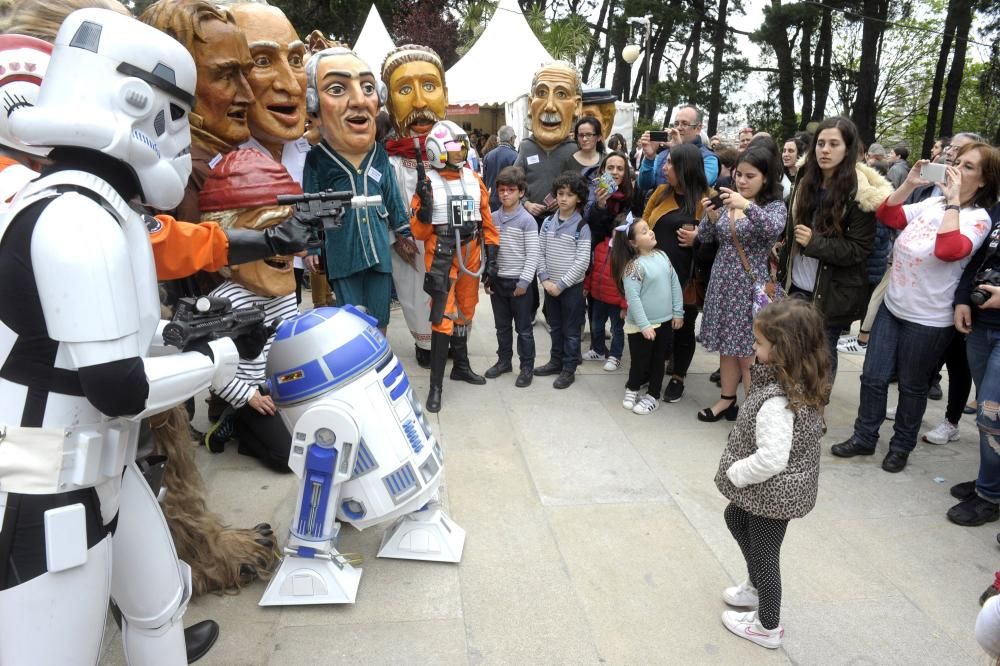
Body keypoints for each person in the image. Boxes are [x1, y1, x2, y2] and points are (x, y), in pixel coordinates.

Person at [0, 9, 242, 663]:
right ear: (139, 105)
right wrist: (216, 357)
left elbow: (97, 333)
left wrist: (177, 329)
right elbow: (117, 384)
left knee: (159, 607)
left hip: (100, 464)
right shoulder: (77, 219)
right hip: (49, 484)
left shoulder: (86, 204)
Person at [831, 143, 996, 473]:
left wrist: (952, 202)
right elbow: (888, 215)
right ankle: (865, 435)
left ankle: (901, 445)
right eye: (955, 162)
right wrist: (911, 184)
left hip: (929, 319)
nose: (955, 170)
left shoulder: (978, 218)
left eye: (967, 167)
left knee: (912, 385)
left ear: (983, 181)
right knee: (873, 377)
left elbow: (949, 250)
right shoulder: (932, 203)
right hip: (894, 307)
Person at [715, 298, 828, 650]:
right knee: (735, 515)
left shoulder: (778, 402)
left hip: (774, 492)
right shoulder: (790, 382)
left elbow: (771, 460)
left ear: (784, 349)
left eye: (759, 343)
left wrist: (736, 472)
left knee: (766, 556)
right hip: (774, 491)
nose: (753, 347)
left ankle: (767, 626)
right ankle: (754, 586)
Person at [199, 150, 302, 472]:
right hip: (249, 393)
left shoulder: (285, 292)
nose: (291, 247)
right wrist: (246, 398)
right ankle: (236, 424)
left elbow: (291, 338)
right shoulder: (223, 302)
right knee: (287, 460)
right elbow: (211, 366)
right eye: (272, 232)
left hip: (283, 384)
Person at [303, 46, 411, 333]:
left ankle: (379, 360)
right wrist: (312, 244)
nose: (359, 100)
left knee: (380, 314)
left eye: (367, 87)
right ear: (313, 107)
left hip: (378, 245)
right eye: (337, 89)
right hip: (342, 246)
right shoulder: (317, 158)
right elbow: (310, 202)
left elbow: (392, 196)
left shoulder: (379, 154)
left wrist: (403, 231)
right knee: (350, 316)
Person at [776, 116, 888, 393]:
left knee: (821, 356)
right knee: (792, 351)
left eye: (833, 144)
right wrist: (784, 243)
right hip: (797, 284)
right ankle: (793, 404)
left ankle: (816, 414)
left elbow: (859, 249)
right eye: (821, 143)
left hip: (833, 291)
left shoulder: (859, 192)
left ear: (848, 149)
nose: (825, 150)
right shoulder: (805, 179)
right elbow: (794, 226)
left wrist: (814, 243)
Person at [410, 120, 500, 412]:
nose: (460, 152)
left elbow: (486, 220)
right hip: (442, 256)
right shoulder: (427, 186)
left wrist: (492, 257)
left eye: (462, 147)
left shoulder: (474, 179)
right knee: (442, 316)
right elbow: (420, 234)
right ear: (437, 151)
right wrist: (423, 211)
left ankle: (461, 366)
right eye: (453, 148)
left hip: (471, 252)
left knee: (467, 310)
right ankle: (436, 387)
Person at [696, 146, 787, 421]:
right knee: (727, 347)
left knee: (750, 355)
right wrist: (709, 217)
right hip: (723, 283)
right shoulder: (727, 200)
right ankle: (727, 400)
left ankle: (753, 414)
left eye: (750, 176)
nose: (742, 181)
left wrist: (745, 205)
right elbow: (706, 236)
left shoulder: (773, 206)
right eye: (739, 175)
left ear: (766, 178)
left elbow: (773, 229)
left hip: (752, 289)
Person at [380, 44, 448, 367]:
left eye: (429, 86)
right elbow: (382, 205)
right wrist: (399, 237)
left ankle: (450, 340)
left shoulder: (456, 153)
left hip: (448, 243)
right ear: (390, 103)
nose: (420, 102)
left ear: (445, 95)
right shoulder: (388, 159)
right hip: (409, 245)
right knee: (413, 292)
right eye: (405, 89)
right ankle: (425, 344)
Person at [641, 142, 710, 402]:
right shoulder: (659, 193)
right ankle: (651, 370)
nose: (665, 167)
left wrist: (699, 237)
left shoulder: (706, 199)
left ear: (686, 168)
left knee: (683, 329)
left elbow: (721, 239)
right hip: (654, 276)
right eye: (666, 161)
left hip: (686, 278)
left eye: (670, 163)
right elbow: (643, 224)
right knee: (654, 327)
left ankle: (678, 376)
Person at [948, 201, 1000, 527]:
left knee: (991, 414)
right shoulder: (997, 210)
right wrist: (962, 300)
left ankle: (989, 495)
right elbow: (976, 261)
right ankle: (989, 480)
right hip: (982, 325)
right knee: (988, 410)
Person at [611, 216, 684, 414]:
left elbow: (674, 284)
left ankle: (653, 395)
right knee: (640, 360)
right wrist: (644, 325)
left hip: (665, 321)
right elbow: (633, 299)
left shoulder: (662, 256)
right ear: (633, 243)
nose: (650, 232)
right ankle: (633, 387)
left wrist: (678, 311)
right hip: (641, 325)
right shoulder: (633, 266)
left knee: (658, 360)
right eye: (643, 232)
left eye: (649, 228)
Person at [534, 171, 592, 388]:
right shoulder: (548, 222)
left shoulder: (581, 227)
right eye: (560, 193)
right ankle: (555, 361)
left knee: (571, 329)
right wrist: (545, 279)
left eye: (569, 194)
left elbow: (582, 262)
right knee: (554, 326)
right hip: (550, 286)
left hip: (571, 289)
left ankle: (569, 367)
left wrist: (561, 284)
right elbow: (539, 251)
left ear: (578, 198)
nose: (564, 198)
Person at [484, 166, 539, 387]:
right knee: (502, 326)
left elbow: (533, 254)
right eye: (501, 190)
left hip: (519, 283)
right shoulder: (493, 218)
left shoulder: (527, 221)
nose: (505, 194)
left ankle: (527, 366)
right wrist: (487, 279)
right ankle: (504, 360)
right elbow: (487, 250)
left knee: (524, 329)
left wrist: (524, 282)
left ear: (521, 192)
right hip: (499, 282)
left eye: (511, 190)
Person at [636, 104, 719, 192]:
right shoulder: (663, 154)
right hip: (660, 204)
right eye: (676, 124)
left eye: (684, 124)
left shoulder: (709, 158)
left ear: (698, 128)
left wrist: (679, 150)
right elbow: (644, 185)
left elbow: (697, 185)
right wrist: (649, 158)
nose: (679, 128)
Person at [483, 124, 518, 210]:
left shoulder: (488, 156)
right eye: (515, 137)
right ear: (511, 139)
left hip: (491, 198)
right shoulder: (515, 156)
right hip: (508, 199)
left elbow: (484, 179)